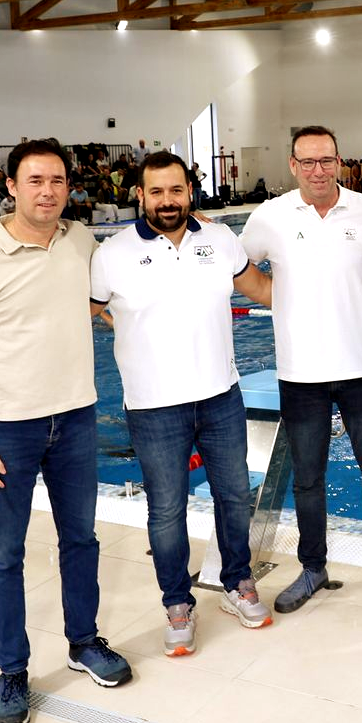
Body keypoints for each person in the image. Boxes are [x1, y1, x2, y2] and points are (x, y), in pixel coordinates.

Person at [0, 137, 133, 723]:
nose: (48, 192)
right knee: (4, 555)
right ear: (11, 187)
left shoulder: (80, 241)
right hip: (5, 429)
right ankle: (12, 671)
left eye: (57, 181)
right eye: (35, 181)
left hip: (74, 418)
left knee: (81, 540)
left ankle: (83, 642)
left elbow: (94, 304)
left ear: (69, 187)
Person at [91, 151, 275, 656]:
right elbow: (82, 310)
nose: (167, 201)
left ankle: (238, 583)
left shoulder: (219, 239)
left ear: (189, 192)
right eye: (157, 191)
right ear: (141, 195)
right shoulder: (113, 254)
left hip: (220, 396)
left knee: (234, 496)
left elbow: (261, 289)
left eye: (176, 190)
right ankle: (177, 602)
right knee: (167, 511)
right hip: (153, 406)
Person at [239, 125, 362, 614]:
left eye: (326, 160)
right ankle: (312, 567)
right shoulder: (269, 217)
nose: (318, 170)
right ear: (293, 165)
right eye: (308, 162)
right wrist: (276, 298)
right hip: (301, 373)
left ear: (339, 161)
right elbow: (238, 265)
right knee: (308, 479)